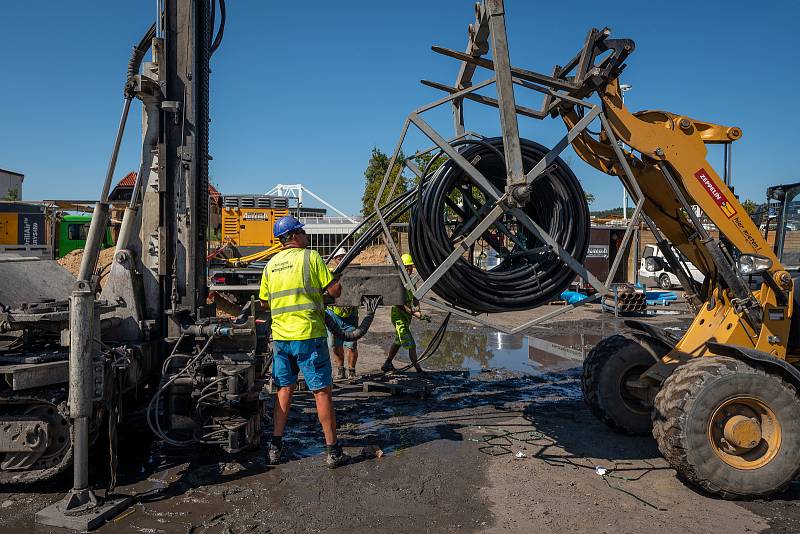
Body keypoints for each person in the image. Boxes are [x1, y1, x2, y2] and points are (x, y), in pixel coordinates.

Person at [259, 215, 350, 468]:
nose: (306, 236)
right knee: (321, 391)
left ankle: (275, 447)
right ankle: (333, 451)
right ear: (294, 236)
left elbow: (265, 302)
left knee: (283, 390)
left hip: (282, 338)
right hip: (308, 335)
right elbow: (335, 291)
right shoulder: (311, 258)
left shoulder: (271, 265)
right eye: (302, 232)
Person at [382, 253, 429, 373]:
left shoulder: (411, 281)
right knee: (411, 344)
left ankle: (387, 363)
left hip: (406, 317)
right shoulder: (398, 282)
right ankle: (418, 369)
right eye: (406, 266)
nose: (409, 269)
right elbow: (399, 304)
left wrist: (418, 310)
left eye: (410, 266)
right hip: (398, 316)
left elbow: (415, 297)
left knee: (398, 341)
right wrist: (413, 312)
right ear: (401, 267)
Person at [326, 247, 360, 380]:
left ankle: (351, 370)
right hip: (334, 315)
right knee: (336, 344)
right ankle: (340, 370)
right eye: (339, 258)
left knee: (351, 345)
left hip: (350, 314)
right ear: (334, 260)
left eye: (344, 257)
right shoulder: (329, 273)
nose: (341, 260)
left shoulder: (353, 273)